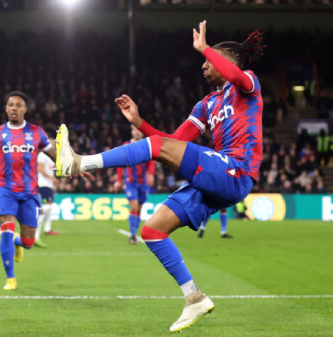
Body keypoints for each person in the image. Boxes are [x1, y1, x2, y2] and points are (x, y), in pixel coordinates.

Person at [55, 21, 265, 332]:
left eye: (209, 60)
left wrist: (205, 46)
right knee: (152, 230)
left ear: (230, 60)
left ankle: (79, 163)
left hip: (237, 170)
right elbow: (172, 144)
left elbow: (234, 76)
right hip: (218, 178)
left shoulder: (246, 82)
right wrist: (141, 122)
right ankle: (193, 297)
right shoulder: (206, 104)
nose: (204, 65)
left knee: (156, 150)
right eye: (204, 60)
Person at [0, 91, 92, 290]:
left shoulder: (37, 133)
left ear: (25, 109)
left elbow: (55, 155)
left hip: (30, 192)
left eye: (18, 105)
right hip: (5, 190)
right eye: (11, 105)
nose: (14, 108)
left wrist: (77, 167)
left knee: (29, 241)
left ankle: (19, 243)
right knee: (6, 228)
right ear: (6, 108)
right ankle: (10, 278)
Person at [114, 126, 155, 245]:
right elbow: (120, 162)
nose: (136, 132)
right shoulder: (127, 145)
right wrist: (118, 179)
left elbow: (151, 161)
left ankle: (134, 232)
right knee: (134, 205)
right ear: (132, 132)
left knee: (139, 209)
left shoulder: (147, 146)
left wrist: (151, 174)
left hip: (142, 183)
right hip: (130, 182)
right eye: (134, 130)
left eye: (138, 131)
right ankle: (132, 235)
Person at [35, 151, 60, 247]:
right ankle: (37, 216)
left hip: (48, 184)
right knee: (48, 207)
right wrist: (51, 178)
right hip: (43, 184)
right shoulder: (42, 155)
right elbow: (40, 169)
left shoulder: (51, 156)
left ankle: (47, 229)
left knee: (49, 208)